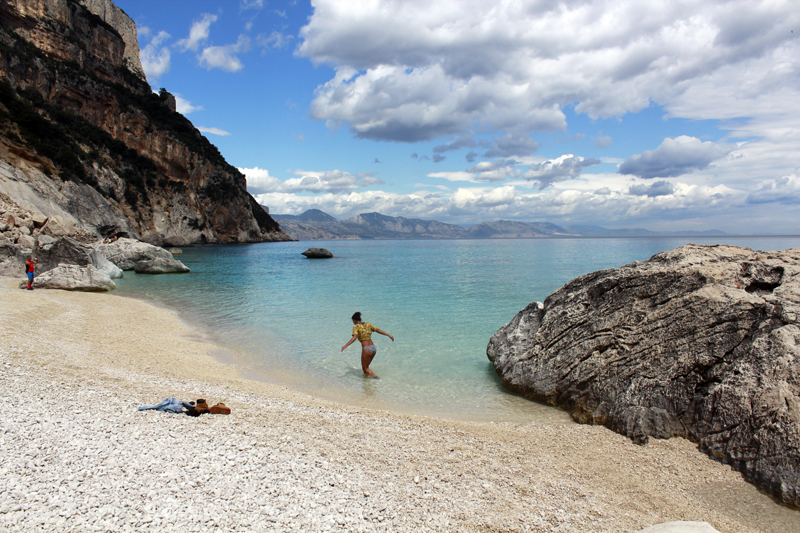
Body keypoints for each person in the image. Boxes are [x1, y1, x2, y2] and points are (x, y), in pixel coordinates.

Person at [341, 311, 394, 378]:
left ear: (354, 320)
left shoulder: (356, 326)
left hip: (367, 350)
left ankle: (376, 377)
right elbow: (377, 330)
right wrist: (388, 334)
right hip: (373, 348)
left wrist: (345, 345)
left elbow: (354, 338)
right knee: (366, 368)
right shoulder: (368, 324)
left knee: (365, 369)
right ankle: (366, 383)